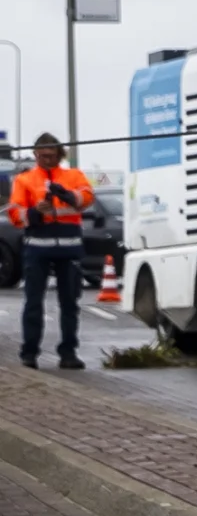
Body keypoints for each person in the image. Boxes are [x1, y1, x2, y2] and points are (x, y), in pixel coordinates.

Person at [14, 131, 98, 371]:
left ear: (59, 154)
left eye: (51, 156)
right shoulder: (24, 180)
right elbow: (16, 213)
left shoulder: (74, 175)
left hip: (69, 249)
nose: (46, 160)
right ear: (35, 155)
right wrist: (35, 212)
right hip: (37, 249)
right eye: (41, 156)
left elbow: (87, 197)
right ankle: (29, 353)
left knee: (70, 303)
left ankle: (68, 352)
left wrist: (67, 195)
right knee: (33, 303)